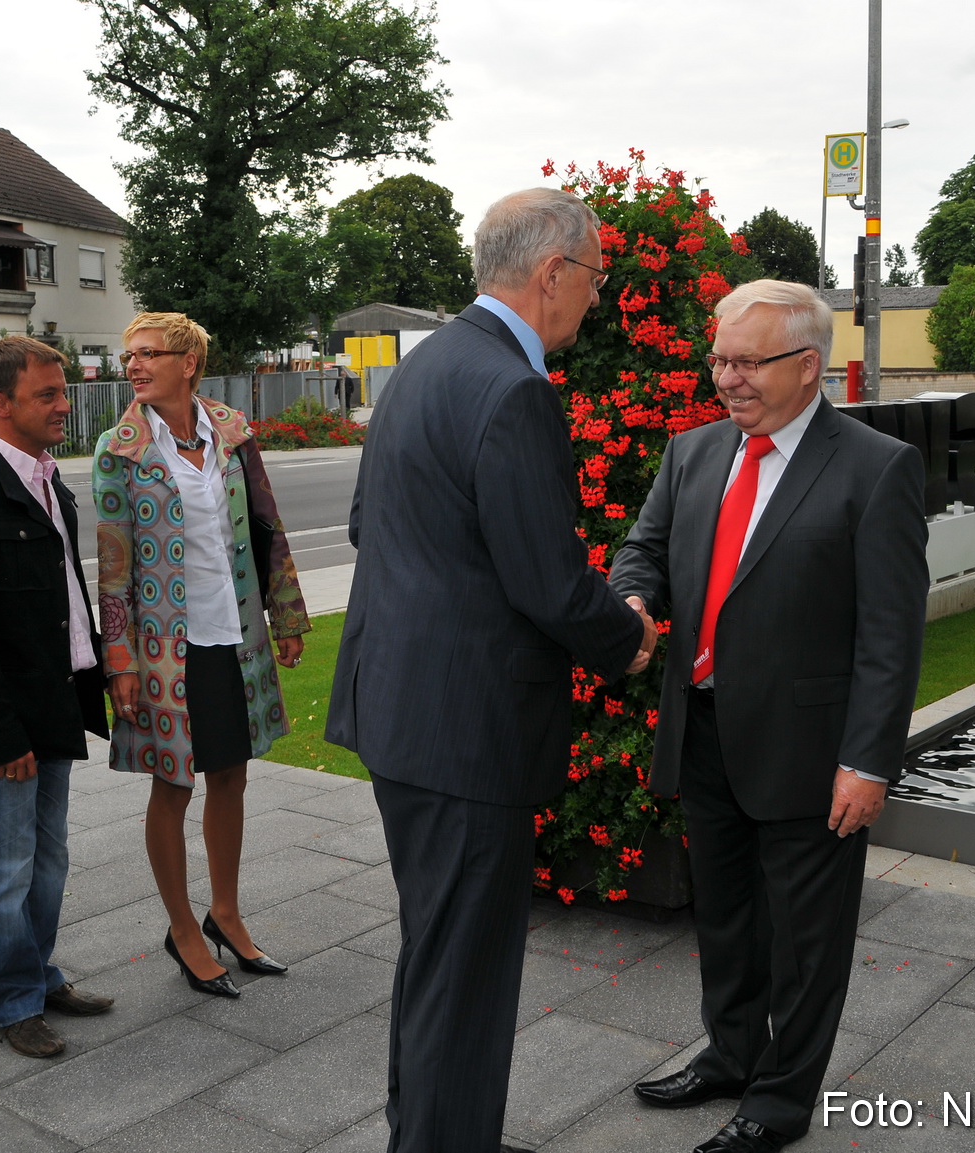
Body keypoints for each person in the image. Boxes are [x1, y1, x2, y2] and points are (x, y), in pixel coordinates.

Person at [326, 188, 656, 1153]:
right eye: (593, 278)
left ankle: (430, 1127)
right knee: (464, 966)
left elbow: (364, 528)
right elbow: (549, 583)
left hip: (404, 711)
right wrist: (626, 635)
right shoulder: (510, 388)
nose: (595, 299)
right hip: (468, 729)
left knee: (439, 952)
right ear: (552, 271)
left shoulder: (428, 365)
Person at [609, 280, 928, 1153]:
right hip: (704, 729)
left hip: (810, 750)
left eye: (746, 361)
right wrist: (633, 595)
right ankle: (732, 1052)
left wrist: (868, 761)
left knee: (806, 940)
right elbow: (644, 547)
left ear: (808, 366)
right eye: (718, 358)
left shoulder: (875, 467)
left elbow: (889, 636)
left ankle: (782, 1100)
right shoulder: (693, 452)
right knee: (725, 916)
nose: (725, 378)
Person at [94, 312, 310, 999]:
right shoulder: (117, 449)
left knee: (230, 775)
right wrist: (119, 659)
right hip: (163, 650)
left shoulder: (232, 431)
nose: (132, 365)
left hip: (233, 632)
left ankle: (225, 912)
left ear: (187, 363)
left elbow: (267, 524)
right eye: (128, 355)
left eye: (147, 353)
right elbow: (112, 566)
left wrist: (285, 613)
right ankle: (182, 926)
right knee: (172, 783)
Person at [0, 335, 113, 1058]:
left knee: (48, 862)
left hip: (53, 701)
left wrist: (95, 681)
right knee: (3, 873)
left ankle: (38, 974)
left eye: (63, 392)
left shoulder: (47, 478)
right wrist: (1, 736)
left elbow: (66, 599)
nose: (64, 406)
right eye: (48, 395)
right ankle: (11, 1002)